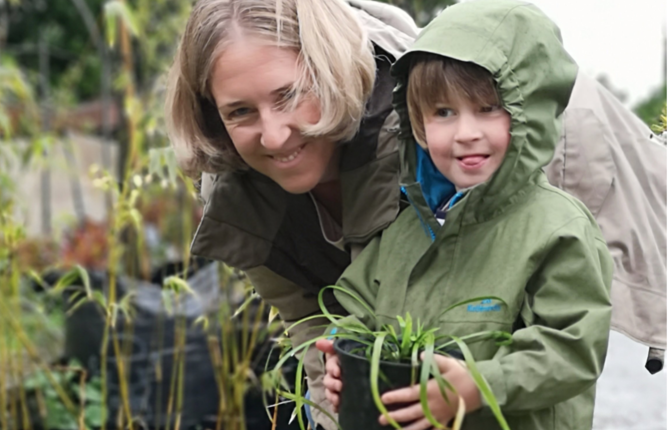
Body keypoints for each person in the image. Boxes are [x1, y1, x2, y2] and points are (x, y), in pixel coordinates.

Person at [164, 1, 665, 429]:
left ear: (328, 72)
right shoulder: (238, 192)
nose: (272, 136)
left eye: (289, 95)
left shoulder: (436, 140)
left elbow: (567, 347)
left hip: (576, 155)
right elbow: (330, 315)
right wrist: (343, 364)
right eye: (240, 112)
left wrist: (477, 386)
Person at [319, 1, 614, 429]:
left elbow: (571, 348)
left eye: (488, 108)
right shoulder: (409, 224)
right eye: (443, 113)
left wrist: (482, 384)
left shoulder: (557, 229)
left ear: (529, 110)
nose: (466, 133)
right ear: (417, 124)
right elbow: (358, 302)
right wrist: (343, 349)